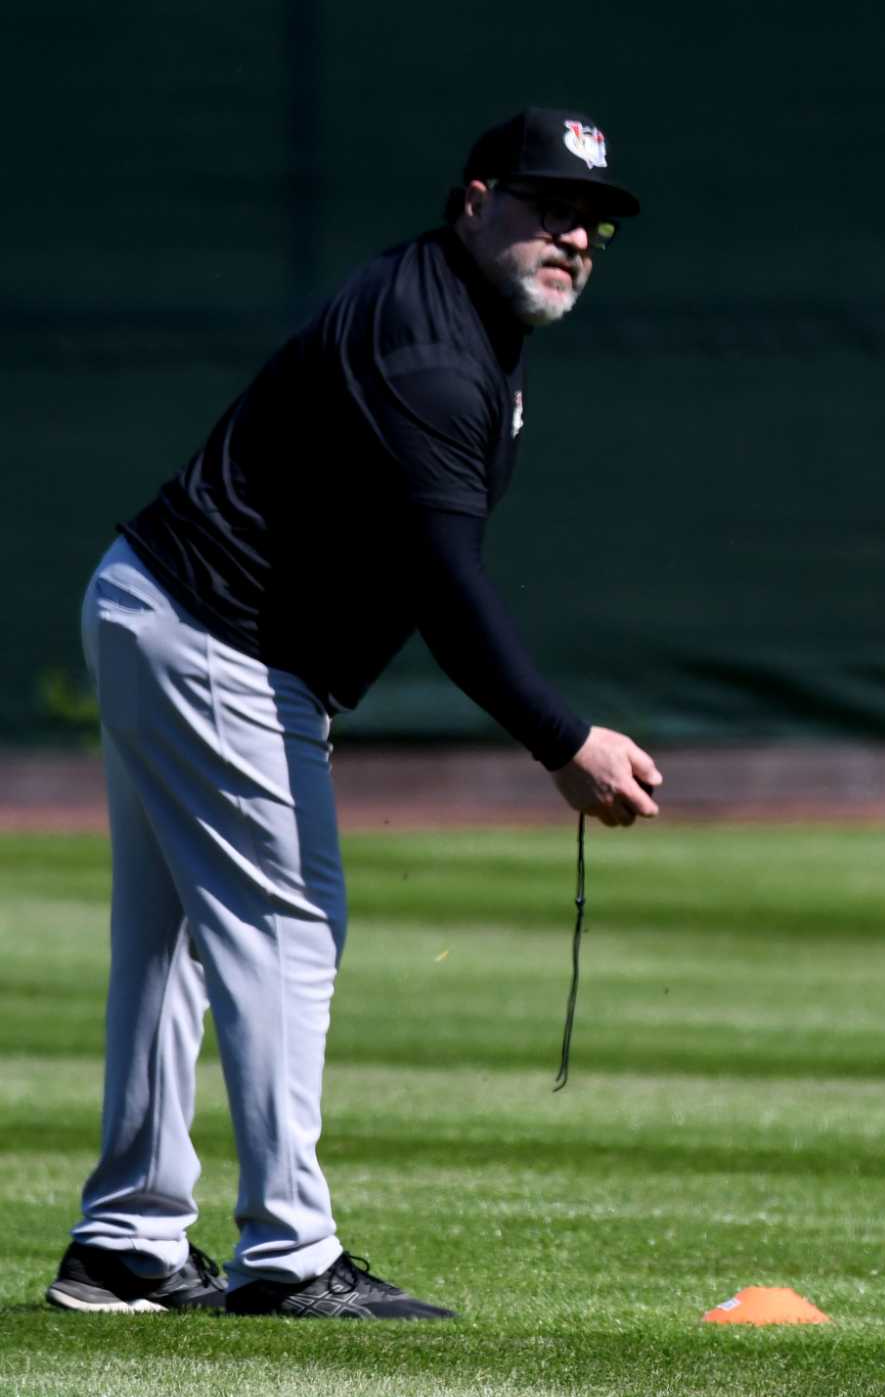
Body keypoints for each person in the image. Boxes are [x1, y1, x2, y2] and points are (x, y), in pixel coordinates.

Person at [47, 108, 663, 1320]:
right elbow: (444, 581)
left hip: (156, 606)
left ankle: (126, 1242)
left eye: (590, 218)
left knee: (165, 946)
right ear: (474, 198)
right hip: (216, 633)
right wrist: (563, 739)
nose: (574, 233)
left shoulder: (457, 305)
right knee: (287, 929)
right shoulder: (433, 349)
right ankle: (287, 1255)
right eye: (546, 205)